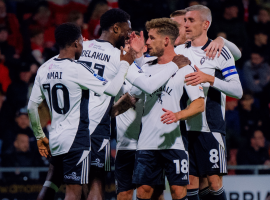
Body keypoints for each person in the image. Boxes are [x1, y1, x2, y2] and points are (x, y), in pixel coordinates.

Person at [27, 22, 134, 200]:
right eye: (81, 43)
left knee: (51, 183)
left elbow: (32, 107)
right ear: (77, 43)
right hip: (76, 140)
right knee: (74, 192)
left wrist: (39, 137)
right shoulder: (78, 69)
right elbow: (112, 90)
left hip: (54, 137)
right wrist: (124, 65)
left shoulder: (44, 68)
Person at [114, 18, 204, 200]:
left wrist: (179, 115)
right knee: (143, 192)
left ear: (166, 40)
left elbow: (199, 103)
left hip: (174, 142)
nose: (147, 42)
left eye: (151, 38)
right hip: (146, 143)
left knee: (178, 192)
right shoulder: (145, 67)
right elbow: (133, 96)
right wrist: (112, 111)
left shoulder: (186, 68)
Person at [173, 5, 243, 200]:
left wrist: (209, 79)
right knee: (191, 181)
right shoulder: (178, 51)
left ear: (206, 24)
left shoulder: (219, 51)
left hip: (210, 125)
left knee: (214, 181)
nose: (186, 24)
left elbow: (237, 91)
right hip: (185, 126)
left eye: (191, 20)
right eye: (185, 20)